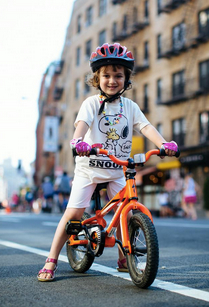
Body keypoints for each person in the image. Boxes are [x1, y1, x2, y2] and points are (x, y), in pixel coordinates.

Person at [37, 42, 178, 281]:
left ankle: (125, 257)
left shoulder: (130, 107)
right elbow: (81, 125)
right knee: (74, 212)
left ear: (126, 79)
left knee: (128, 209)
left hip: (117, 169)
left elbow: (145, 126)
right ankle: (51, 259)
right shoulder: (91, 104)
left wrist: (163, 144)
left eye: (118, 76)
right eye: (106, 75)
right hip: (89, 169)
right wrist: (77, 142)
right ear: (97, 78)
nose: (112, 80)